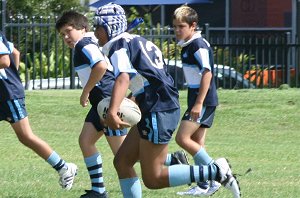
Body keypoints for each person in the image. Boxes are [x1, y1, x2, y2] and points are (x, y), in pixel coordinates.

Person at [93, 3, 241, 198]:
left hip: (157, 109)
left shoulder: (118, 45)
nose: (95, 33)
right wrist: (133, 98)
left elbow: (124, 77)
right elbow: (149, 78)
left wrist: (112, 111)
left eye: (98, 27)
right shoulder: (136, 40)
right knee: (122, 161)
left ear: (110, 27)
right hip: (157, 105)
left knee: (153, 178)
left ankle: (215, 171)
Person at [55, 11, 130, 198]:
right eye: (62, 34)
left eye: (68, 31)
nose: (66, 37)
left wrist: (86, 90)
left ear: (83, 28)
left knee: (124, 156)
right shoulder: (88, 42)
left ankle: (172, 162)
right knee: (86, 141)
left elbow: (101, 66)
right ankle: (98, 191)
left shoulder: (83, 44)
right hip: (100, 102)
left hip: (107, 102)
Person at [0, 32, 77, 190]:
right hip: (8, 90)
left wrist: (12, 82)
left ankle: (64, 167)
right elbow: (15, 52)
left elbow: (4, 60)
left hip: (8, 94)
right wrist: (15, 79)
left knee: (25, 136)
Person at [173, 5, 222, 196]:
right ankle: (204, 185)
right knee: (197, 141)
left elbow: (207, 73)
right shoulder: (188, 44)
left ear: (193, 26)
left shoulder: (198, 45)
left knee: (182, 138)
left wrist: (199, 102)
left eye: (181, 26)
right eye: (175, 26)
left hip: (204, 100)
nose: (177, 30)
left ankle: (216, 173)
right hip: (196, 98)